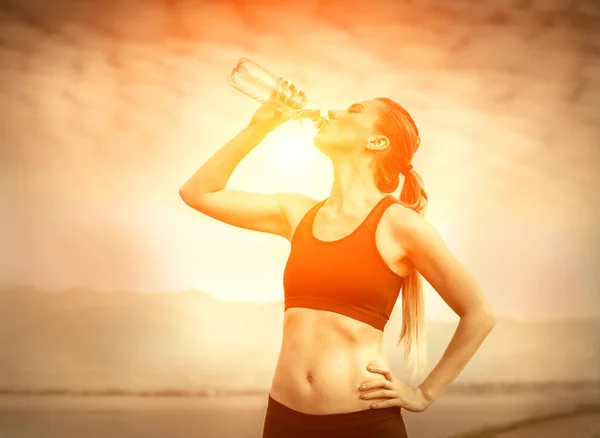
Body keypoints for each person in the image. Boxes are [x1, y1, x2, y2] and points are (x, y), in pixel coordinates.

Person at [179, 96, 496, 438]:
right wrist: (260, 127)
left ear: (377, 141)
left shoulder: (400, 224)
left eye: (354, 110)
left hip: (363, 424)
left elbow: (479, 313)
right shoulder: (296, 212)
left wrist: (423, 394)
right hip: (284, 422)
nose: (333, 112)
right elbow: (197, 192)